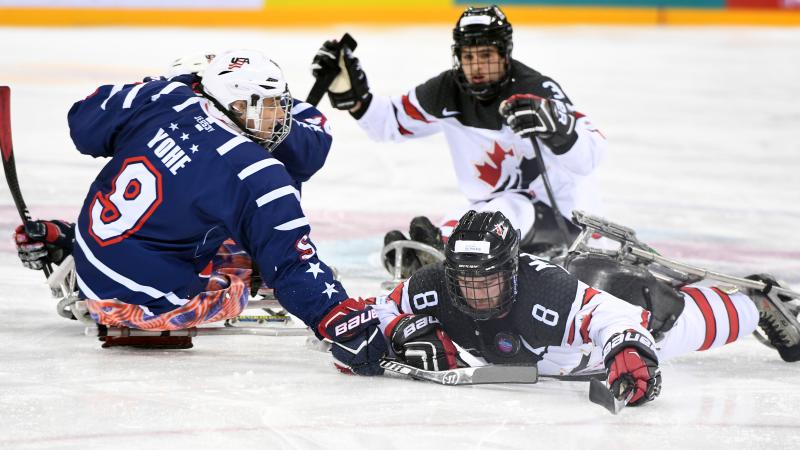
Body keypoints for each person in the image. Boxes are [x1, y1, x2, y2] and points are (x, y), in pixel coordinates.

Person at [13, 49, 388, 373]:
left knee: (179, 197)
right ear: (230, 102)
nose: (278, 117)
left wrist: (164, 85)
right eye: (266, 106)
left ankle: (74, 246)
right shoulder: (252, 169)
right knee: (247, 260)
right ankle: (241, 285)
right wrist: (336, 315)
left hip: (96, 245)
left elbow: (84, 122)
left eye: (279, 104)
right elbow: (292, 262)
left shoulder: (167, 98)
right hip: (141, 304)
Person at [366, 210, 800, 406]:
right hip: (540, 351)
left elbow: (611, 318)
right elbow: (379, 311)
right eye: (466, 281)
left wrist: (629, 348)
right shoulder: (433, 285)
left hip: (587, 355)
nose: (476, 295)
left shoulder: (545, 291)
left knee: (664, 321)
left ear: (512, 270)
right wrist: (403, 328)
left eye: (489, 280)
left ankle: (756, 304)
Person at [310, 4, 607, 270]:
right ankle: (439, 257)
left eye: (486, 55)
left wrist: (559, 128)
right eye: (468, 56)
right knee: (461, 219)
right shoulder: (448, 91)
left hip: (561, 222)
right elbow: (389, 122)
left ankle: (449, 257)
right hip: (495, 215)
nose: (476, 67)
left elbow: (590, 156)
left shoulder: (536, 89)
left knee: (495, 214)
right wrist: (356, 98)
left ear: (505, 55)